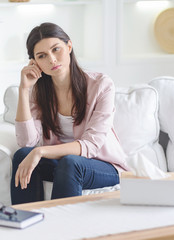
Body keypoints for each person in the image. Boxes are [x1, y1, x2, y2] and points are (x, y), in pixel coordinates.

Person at [11, 22, 129, 204]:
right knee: (22, 155)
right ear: (35, 62)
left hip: (103, 166)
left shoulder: (101, 85)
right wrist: (24, 90)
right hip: (64, 163)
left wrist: (41, 151)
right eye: (42, 56)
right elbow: (26, 142)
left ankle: (63, 229)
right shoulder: (39, 92)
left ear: (69, 46)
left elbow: (91, 145)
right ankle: (24, 221)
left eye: (56, 49)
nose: (51, 59)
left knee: (70, 162)